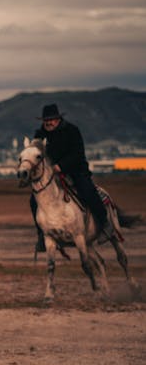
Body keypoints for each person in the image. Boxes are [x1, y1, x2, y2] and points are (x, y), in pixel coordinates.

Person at [30, 103, 113, 253]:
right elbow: (36, 155)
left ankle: (104, 224)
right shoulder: (39, 135)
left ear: (58, 119)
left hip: (75, 170)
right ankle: (42, 235)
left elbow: (78, 153)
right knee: (33, 200)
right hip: (51, 176)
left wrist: (61, 166)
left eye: (51, 119)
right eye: (46, 120)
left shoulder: (72, 131)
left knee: (87, 191)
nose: (48, 122)